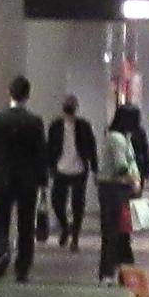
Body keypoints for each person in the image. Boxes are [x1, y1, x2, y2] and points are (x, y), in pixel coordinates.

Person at [0, 74, 49, 282]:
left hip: (3, 178)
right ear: (28, 95)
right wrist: (43, 182)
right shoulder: (35, 122)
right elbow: (40, 154)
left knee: (1, 219)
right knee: (26, 224)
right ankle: (22, 268)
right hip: (28, 181)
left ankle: (3, 251)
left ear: (10, 93)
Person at [96, 103, 145, 285]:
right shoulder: (117, 139)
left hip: (118, 189)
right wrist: (134, 182)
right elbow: (121, 166)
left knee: (122, 232)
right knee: (113, 232)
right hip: (114, 189)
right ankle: (108, 272)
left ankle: (124, 272)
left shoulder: (123, 137)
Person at [47, 93, 99, 250]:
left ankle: (75, 237)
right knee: (57, 202)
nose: (69, 106)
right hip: (60, 169)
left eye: (72, 103)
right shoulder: (55, 126)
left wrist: (95, 169)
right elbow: (49, 147)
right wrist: (49, 167)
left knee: (78, 205)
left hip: (79, 170)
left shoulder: (84, 125)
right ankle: (65, 227)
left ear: (76, 107)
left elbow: (92, 147)